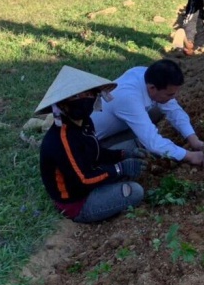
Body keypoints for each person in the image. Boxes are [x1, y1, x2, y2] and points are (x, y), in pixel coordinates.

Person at [37, 66, 147, 223]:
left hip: (92, 172)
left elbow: (96, 153)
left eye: (89, 94)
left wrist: (123, 154)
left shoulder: (85, 123)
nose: (85, 99)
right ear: (62, 105)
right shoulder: (61, 140)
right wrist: (119, 169)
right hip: (79, 200)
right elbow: (82, 180)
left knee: (132, 146)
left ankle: (115, 178)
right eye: (76, 97)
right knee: (135, 191)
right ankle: (112, 188)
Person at [91, 59, 204, 166]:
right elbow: (153, 142)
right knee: (142, 145)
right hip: (94, 142)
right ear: (152, 88)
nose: (174, 97)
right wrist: (189, 156)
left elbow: (174, 111)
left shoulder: (147, 76)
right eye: (170, 94)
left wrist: (194, 140)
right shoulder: (129, 97)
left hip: (117, 125)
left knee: (158, 110)